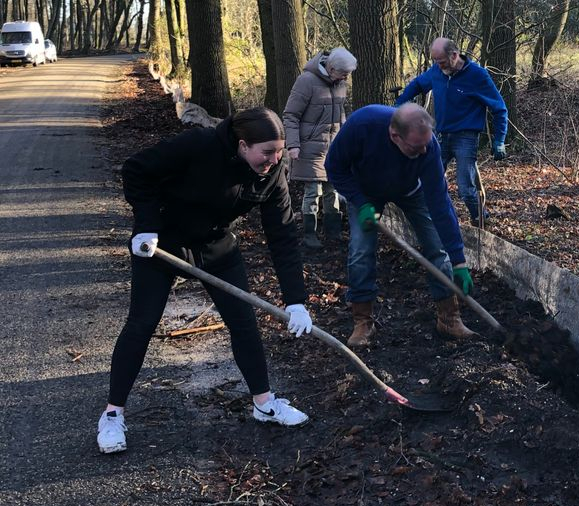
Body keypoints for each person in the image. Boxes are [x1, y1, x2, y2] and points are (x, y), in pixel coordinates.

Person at [97, 107, 315, 455]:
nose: (274, 160)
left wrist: (295, 299)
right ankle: (112, 415)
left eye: (278, 152)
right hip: (162, 245)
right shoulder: (197, 146)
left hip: (216, 247)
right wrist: (146, 225)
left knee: (244, 322)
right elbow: (136, 170)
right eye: (267, 153)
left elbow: (283, 235)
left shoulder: (272, 174)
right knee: (141, 323)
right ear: (243, 146)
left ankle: (264, 403)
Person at [325, 102, 477, 346]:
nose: (424, 151)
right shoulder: (362, 126)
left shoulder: (428, 147)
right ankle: (363, 321)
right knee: (360, 252)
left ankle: (449, 318)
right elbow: (334, 167)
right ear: (395, 135)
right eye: (416, 147)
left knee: (437, 248)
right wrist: (360, 202)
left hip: (410, 189)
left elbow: (440, 204)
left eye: (426, 145)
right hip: (365, 192)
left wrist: (458, 260)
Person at [395, 37, 508, 225]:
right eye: (436, 62)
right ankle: (429, 220)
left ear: (454, 55)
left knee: (465, 187)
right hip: (440, 135)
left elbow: (499, 108)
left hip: (466, 137)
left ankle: (480, 219)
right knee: (429, 178)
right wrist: (399, 104)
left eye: (442, 62)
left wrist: (499, 140)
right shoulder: (437, 71)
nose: (438, 66)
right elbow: (417, 84)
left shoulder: (478, 76)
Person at [283, 47, 358, 249]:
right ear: (331, 68)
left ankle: (333, 233)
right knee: (312, 192)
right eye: (344, 73)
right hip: (309, 147)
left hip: (333, 147)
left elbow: (341, 113)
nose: (346, 77)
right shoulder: (306, 81)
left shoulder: (340, 83)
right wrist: (293, 145)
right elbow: (290, 115)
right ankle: (310, 235)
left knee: (333, 189)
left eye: (348, 74)